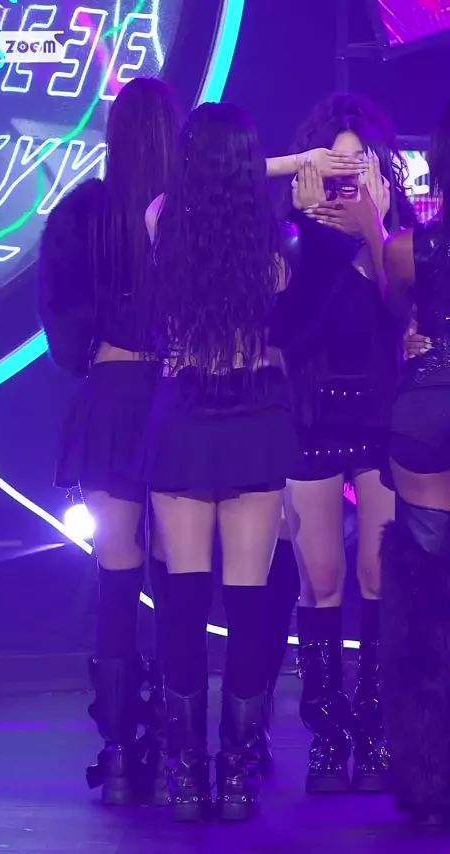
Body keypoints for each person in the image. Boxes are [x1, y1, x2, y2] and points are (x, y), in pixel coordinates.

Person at [143, 101, 303, 822]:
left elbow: (176, 194)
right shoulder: (271, 248)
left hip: (185, 416)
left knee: (184, 599)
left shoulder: (165, 222)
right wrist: (286, 164)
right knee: (246, 601)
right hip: (252, 415)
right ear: (247, 167)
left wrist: (229, 164)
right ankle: (236, 775)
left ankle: (187, 774)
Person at [268, 93, 417, 794]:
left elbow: (401, 314)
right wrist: (318, 234)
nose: (349, 174)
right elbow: (290, 330)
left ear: (380, 166)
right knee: (320, 577)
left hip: (384, 416)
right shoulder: (296, 235)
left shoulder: (398, 230)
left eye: (362, 163)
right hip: (313, 416)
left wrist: (374, 230)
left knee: (379, 575)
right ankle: (327, 734)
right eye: (337, 162)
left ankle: (378, 727)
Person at [38, 77, 179, 806]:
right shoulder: (188, 214)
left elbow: (63, 333)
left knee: (117, 571)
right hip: (179, 397)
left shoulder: (81, 215)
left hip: (112, 395)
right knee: (178, 571)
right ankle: (184, 748)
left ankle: (120, 753)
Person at [381, 101, 450, 825]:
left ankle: (429, 779)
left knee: (426, 601)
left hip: (428, 409)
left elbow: (396, 312)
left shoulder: (407, 249)